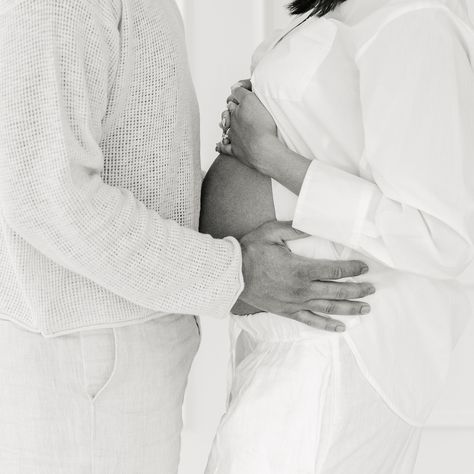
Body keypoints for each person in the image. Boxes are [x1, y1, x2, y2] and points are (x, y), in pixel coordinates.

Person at [0, 1, 374, 473]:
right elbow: (48, 195)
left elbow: (137, 174)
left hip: (118, 348)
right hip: (87, 352)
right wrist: (235, 272)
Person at [201, 0, 474, 472]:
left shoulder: (414, 18)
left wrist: (267, 154)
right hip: (285, 343)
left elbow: (439, 236)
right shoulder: (346, 11)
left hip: (336, 351)